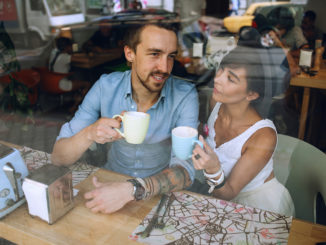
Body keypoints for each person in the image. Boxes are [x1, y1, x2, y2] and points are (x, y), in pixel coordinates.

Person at [51, 23, 199, 214]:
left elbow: (185, 171)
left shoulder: (185, 95)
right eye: (154, 54)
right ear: (130, 54)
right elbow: (58, 157)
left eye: (170, 56)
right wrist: (89, 133)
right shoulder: (106, 87)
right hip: (109, 183)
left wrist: (132, 189)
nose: (164, 68)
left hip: (157, 192)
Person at [191, 45, 295, 216]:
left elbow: (229, 192)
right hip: (214, 198)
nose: (218, 80)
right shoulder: (216, 103)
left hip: (255, 206)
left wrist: (213, 169)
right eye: (221, 70)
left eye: (231, 79)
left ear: (252, 94)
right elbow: (206, 133)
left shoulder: (263, 136)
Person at [49, 37, 90, 112]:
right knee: (87, 84)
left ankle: (75, 99)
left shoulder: (53, 53)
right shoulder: (65, 57)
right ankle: (74, 107)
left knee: (76, 79)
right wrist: (88, 54)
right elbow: (86, 60)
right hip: (61, 84)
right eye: (71, 46)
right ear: (67, 47)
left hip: (50, 83)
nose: (72, 48)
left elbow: (73, 57)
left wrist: (78, 55)